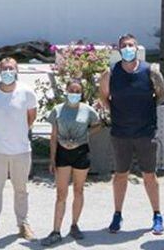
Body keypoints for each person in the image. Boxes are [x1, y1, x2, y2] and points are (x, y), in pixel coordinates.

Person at [98, 33, 164, 235]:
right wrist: (117, 113)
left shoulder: (150, 72)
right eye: (124, 46)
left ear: (137, 48)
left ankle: (157, 215)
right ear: (119, 50)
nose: (128, 48)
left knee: (150, 176)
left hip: (146, 133)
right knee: (120, 175)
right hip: (120, 133)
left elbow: (160, 95)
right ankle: (117, 214)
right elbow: (104, 98)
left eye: (131, 45)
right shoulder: (110, 74)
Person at [0, 57, 37, 242]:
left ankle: (23, 224)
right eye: (4, 68)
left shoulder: (27, 92)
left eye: (11, 68)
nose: (8, 72)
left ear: (17, 70)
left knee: (21, 190)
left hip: (21, 150)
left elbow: (31, 118)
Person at [41, 79, 102, 246]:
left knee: (78, 190)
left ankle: (74, 225)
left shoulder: (88, 110)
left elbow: (98, 125)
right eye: (72, 90)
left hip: (81, 152)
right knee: (61, 193)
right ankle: (56, 230)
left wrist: (86, 135)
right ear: (66, 90)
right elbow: (53, 137)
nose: (74, 94)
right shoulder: (57, 110)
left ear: (81, 93)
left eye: (78, 91)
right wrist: (52, 159)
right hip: (62, 153)